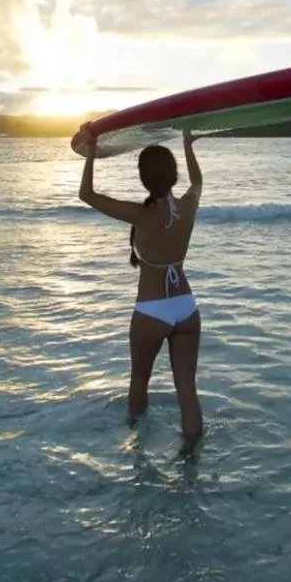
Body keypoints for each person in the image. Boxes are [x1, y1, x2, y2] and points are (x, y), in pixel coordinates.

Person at [76, 127, 206, 447]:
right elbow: (198, 183)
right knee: (187, 391)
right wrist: (189, 147)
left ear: (144, 179)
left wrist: (91, 151)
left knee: (140, 381)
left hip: (152, 310)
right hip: (187, 307)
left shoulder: (141, 215)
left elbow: (87, 195)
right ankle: (193, 461)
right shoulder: (187, 207)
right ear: (173, 176)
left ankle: (136, 450)